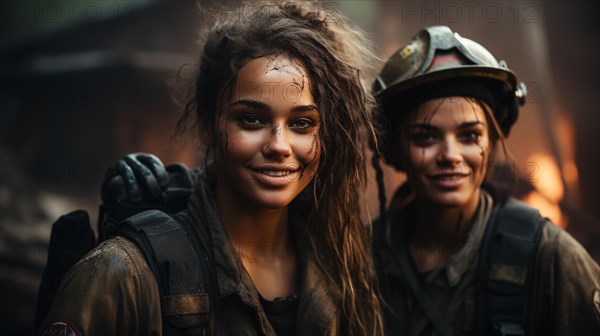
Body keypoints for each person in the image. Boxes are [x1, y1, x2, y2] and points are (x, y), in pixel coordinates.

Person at [38, 2, 384, 335]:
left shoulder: (341, 269)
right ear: (207, 122)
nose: (279, 145)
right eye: (251, 119)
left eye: (303, 123)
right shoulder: (123, 274)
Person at [371, 25, 600, 335]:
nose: (450, 155)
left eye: (469, 135)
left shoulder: (549, 258)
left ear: (491, 141)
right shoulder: (359, 257)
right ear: (395, 148)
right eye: (425, 136)